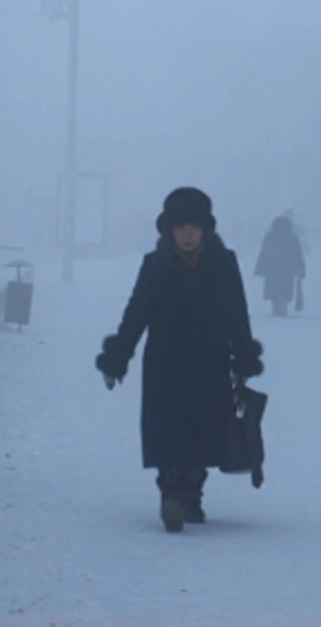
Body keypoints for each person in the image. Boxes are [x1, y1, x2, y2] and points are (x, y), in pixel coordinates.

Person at [95, 187, 265, 533]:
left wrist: (243, 355)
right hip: (165, 364)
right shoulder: (154, 265)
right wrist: (118, 356)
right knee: (169, 431)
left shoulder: (224, 263)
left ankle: (192, 496)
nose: (187, 235)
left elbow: (238, 314)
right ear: (168, 230)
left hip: (210, 361)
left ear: (205, 230)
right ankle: (170, 495)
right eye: (180, 227)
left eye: (194, 227)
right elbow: (136, 313)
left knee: (203, 432)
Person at [254, 214, 306, 316]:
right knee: (285, 290)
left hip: (272, 269)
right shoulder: (292, 236)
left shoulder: (271, 236)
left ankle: (276, 308)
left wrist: (260, 267)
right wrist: (301, 268)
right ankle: (283, 308)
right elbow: (297, 253)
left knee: (274, 291)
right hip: (288, 269)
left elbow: (264, 252)